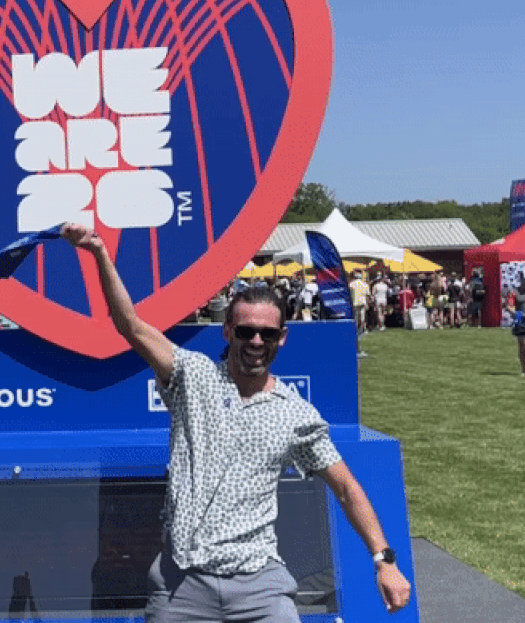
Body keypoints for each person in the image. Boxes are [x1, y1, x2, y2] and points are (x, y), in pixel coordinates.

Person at [61, 223, 410, 621]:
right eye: (245, 331)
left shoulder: (295, 413)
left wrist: (384, 561)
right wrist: (99, 252)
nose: (255, 341)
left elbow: (346, 488)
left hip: (260, 586)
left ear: (282, 337)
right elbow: (130, 324)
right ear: (227, 331)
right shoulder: (192, 377)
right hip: (182, 586)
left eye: (266, 333)